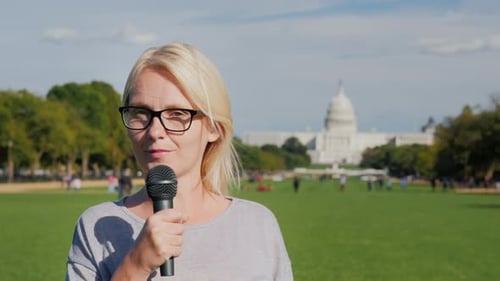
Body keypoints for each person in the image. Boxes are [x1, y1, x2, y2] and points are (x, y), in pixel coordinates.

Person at [65, 43, 293, 280]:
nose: (155, 131)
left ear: (214, 128)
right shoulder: (97, 226)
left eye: (177, 115)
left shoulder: (257, 225)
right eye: (140, 113)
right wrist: (134, 266)